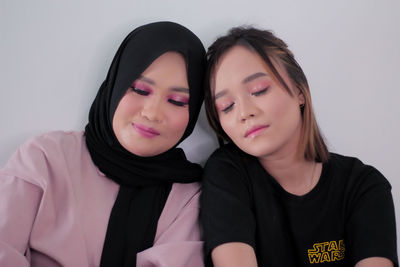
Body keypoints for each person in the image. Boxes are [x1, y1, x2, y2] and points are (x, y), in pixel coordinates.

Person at [0, 21, 206, 267]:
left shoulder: (191, 198)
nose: (152, 113)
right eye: (140, 90)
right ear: (116, 85)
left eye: (176, 100)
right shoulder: (46, 158)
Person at [201, 26, 398, 267]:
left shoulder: (363, 186)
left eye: (258, 90)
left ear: (299, 90)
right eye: (226, 106)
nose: (244, 112)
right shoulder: (227, 174)